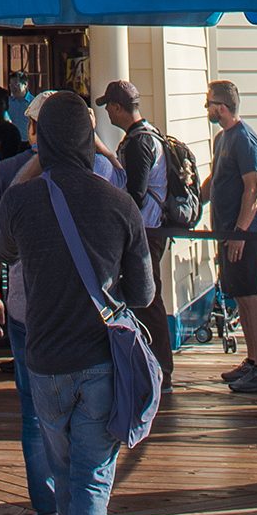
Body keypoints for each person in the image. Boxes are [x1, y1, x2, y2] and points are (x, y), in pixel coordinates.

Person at [0, 91, 153, 515]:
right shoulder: (117, 204)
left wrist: (41, 161)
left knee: (73, 483)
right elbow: (144, 294)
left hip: (45, 363)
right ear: (89, 139)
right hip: (101, 362)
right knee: (88, 484)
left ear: (42, 138)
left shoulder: (22, 202)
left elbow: (0, 242)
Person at [0, 89, 60, 515]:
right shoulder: (102, 170)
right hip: (90, 311)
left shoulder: (9, 173)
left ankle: (50, 513)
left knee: (35, 410)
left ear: (31, 130)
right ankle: (87, 508)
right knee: (90, 410)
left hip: (28, 306)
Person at [201, 81, 257, 398]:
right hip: (228, 233)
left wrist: (241, 232)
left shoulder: (245, 140)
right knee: (239, 296)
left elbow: (254, 189)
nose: (206, 109)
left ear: (222, 107)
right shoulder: (222, 139)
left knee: (251, 295)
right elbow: (215, 181)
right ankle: (251, 359)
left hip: (245, 234)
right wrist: (194, 201)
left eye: (209, 104)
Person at [99, 83, 175, 391]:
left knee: (148, 298)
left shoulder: (138, 143)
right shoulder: (148, 136)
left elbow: (136, 193)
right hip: (148, 229)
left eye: (108, 106)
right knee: (142, 297)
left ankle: (161, 370)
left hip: (145, 232)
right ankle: (152, 366)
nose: (106, 111)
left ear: (118, 108)